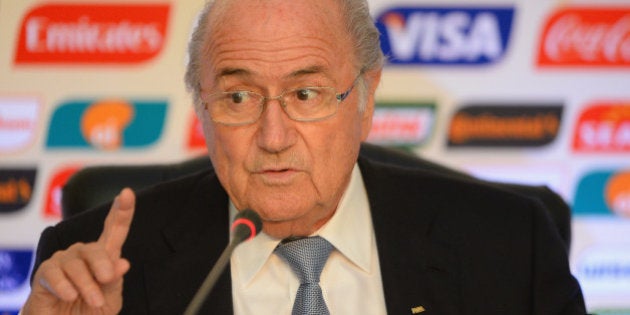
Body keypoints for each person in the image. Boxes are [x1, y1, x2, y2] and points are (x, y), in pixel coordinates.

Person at [22, 0, 587, 314]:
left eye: (306, 95)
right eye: (238, 97)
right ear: (201, 107)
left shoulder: (511, 247)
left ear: (364, 99)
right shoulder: (92, 266)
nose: (273, 136)